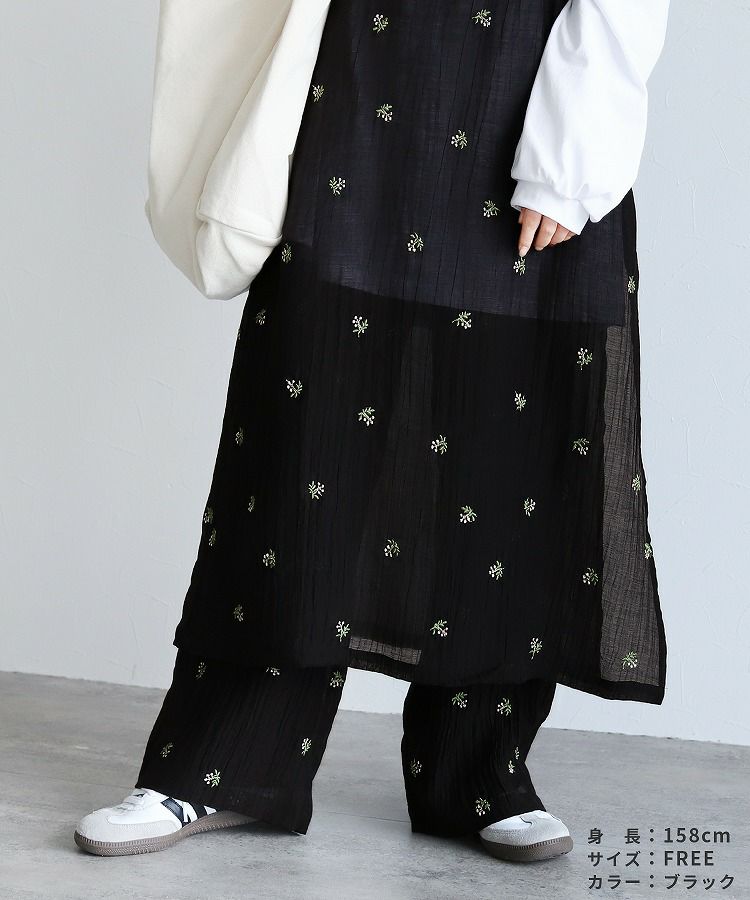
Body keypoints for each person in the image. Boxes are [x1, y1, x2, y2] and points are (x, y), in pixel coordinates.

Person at [75, 0, 670, 863]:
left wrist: (569, 162)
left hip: (523, 86)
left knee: (502, 447)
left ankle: (479, 769)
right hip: (361, 75)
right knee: (303, 428)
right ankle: (222, 762)